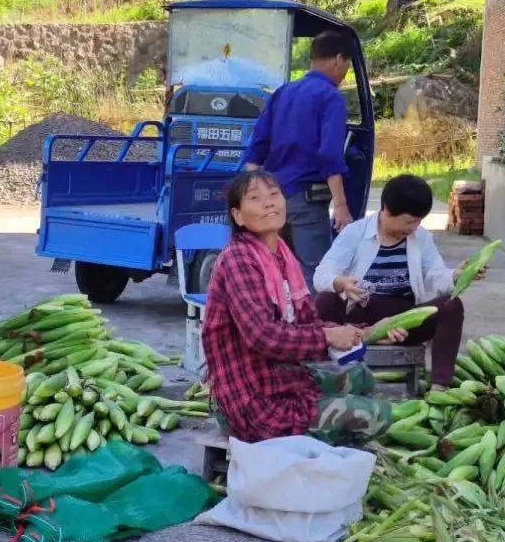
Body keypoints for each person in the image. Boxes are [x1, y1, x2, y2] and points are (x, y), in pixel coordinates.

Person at [201, 170, 392, 444]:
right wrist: (327, 337)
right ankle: (313, 450)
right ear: (238, 216)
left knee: (360, 376)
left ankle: (326, 435)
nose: (269, 203)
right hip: (252, 399)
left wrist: (364, 331)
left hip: (282, 375)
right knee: (378, 415)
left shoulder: (281, 254)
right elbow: (263, 336)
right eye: (255, 198)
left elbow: (307, 324)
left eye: (274, 194)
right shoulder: (238, 260)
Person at [313, 174, 484, 389]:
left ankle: (440, 386)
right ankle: (324, 376)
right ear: (386, 209)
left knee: (451, 305)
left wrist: (456, 276)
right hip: (358, 321)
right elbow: (321, 275)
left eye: (419, 220)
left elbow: (435, 275)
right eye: (410, 221)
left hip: (404, 323)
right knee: (325, 300)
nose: (415, 227)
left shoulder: (421, 237)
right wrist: (341, 283)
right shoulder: (354, 233)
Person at [243, 30, 356, 287]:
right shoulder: (331, 97)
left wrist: (251, 193)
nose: (346, 71)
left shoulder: (283, 92)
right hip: (306, 202)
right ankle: (316, 327)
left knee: (274, 271)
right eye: (347, 64)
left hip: (272, 199)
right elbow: (329, 154)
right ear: (338, 59)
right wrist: (340, 204)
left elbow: (257, 146)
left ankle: (280, 325)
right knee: (317, 275)